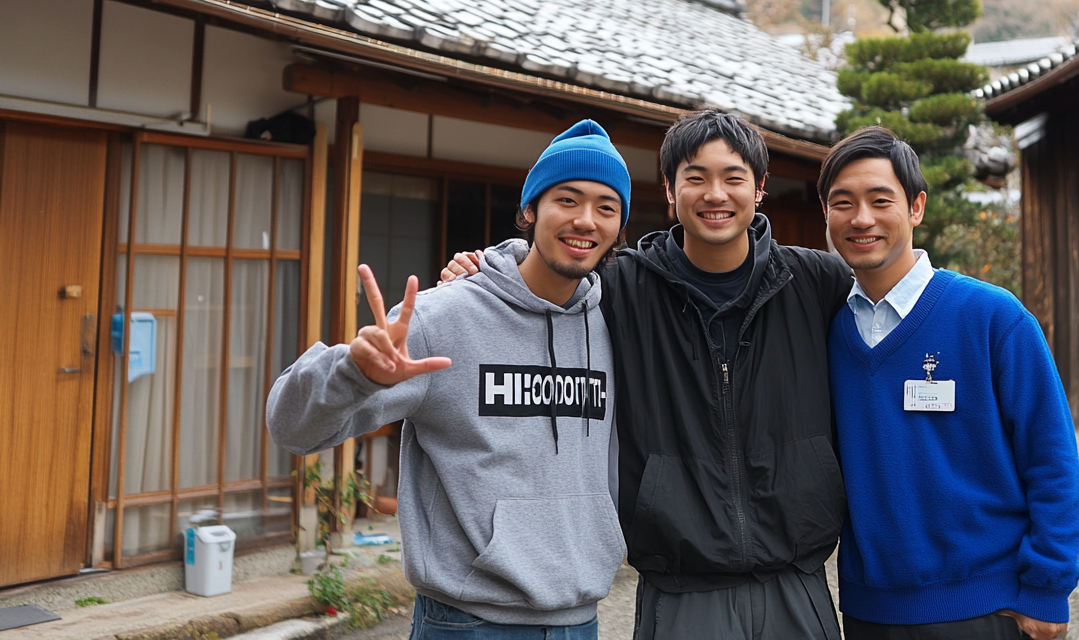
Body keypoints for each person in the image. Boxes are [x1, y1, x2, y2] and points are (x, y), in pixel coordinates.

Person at [443, 109, 854, 640]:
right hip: (681, 585)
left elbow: (894, 307)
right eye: (696, 178)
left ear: (759, 191)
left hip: (798, 581)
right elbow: (553, 264)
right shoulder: (622, 287)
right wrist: (489, 268)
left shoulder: (815, 280)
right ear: (669, 190)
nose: (715, 194)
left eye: (733, 178)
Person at [267, 119, 633, 640]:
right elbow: (290, 428)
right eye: (567, 200)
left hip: (582, 620)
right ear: (530, 210)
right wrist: (353, 372)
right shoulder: (444, 318)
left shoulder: (616, 321)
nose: (585, 221)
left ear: (620, 226)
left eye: (606, 207)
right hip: (466, 623)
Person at [817, 126, 1079, 640]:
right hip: (872, 611)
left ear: (916, 207)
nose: (862, 218)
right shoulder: (827, 330)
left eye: (880, 200)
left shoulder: (991, 317)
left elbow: (1051, 456)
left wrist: (1048, 587)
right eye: (842, 203)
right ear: (826, 215)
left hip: (987, 608)